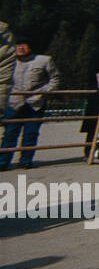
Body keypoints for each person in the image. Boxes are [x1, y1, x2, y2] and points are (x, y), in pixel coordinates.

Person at [2, 39, 60, 171]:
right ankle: (3, 162)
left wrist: (44, 92)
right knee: (10, 133)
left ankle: (26, 161)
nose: (20, 48)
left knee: (31, 133)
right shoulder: (9, 62)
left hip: (36, 102)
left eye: (23, 45)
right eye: (17, 45)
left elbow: (55, 78)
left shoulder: (44, 60)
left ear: (30, 46)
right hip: (14, 103)